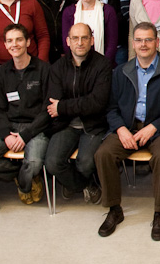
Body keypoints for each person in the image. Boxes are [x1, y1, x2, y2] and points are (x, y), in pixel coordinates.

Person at [94, 23, 160, 238]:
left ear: (157, 42)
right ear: (133, 44)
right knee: (103, 154)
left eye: (148, 40)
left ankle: (159, 213)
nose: (143, 45)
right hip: (129, 126)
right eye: (139, 40)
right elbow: (112, 108)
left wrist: (154, 127)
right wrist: (121, 129)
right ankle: (114, 209)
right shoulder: (121, 71)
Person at [0, 23, 59, 207]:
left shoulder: (44, 69)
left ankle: (26, 179)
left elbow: (48, 108)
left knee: (35, 162)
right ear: (5, 45)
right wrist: (6, 135)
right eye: (10, 41)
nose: (15, 44)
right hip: (9, 127)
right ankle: (21, 175)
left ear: (28, 42)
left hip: (36, 128)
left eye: (19, 39)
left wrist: (25, 135)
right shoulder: (2, 72)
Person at [45, 23, 111, 207]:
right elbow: (53, 103)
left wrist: (63, 106)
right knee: (52, 162)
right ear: (68, 41)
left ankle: (73, 181)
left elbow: (97, 103)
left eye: (84, 38)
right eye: (75, 38)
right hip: (66, 125)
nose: (80, 42)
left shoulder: (103, 65)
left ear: (92, 41)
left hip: (93, 124)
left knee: (85, 163)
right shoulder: (57, 67)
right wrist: (70, 107)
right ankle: (83, 184)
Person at [61, 0, 119, 64]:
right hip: (75, 65)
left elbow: (111, 44)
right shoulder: (69, 12)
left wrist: (102, 65)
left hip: (102, 66)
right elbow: (66, 42)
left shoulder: (108, 11)